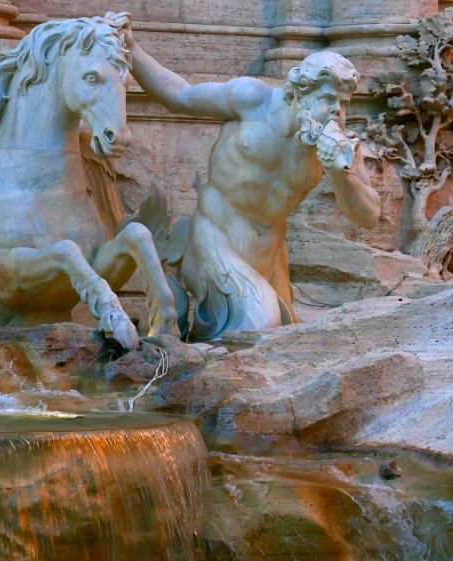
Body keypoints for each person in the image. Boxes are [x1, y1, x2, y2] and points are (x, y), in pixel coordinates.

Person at [127, 34, 381, 339]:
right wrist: (132, 51)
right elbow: (180, 95)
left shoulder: (336, 145)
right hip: (216, 240)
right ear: (300, 94)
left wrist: (343, 175)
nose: (337, 112)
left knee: (279, 346)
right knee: (259, 325)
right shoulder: (252, 99)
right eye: (328, 99)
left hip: (271, 257)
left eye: (343, 104)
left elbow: (369, 216)